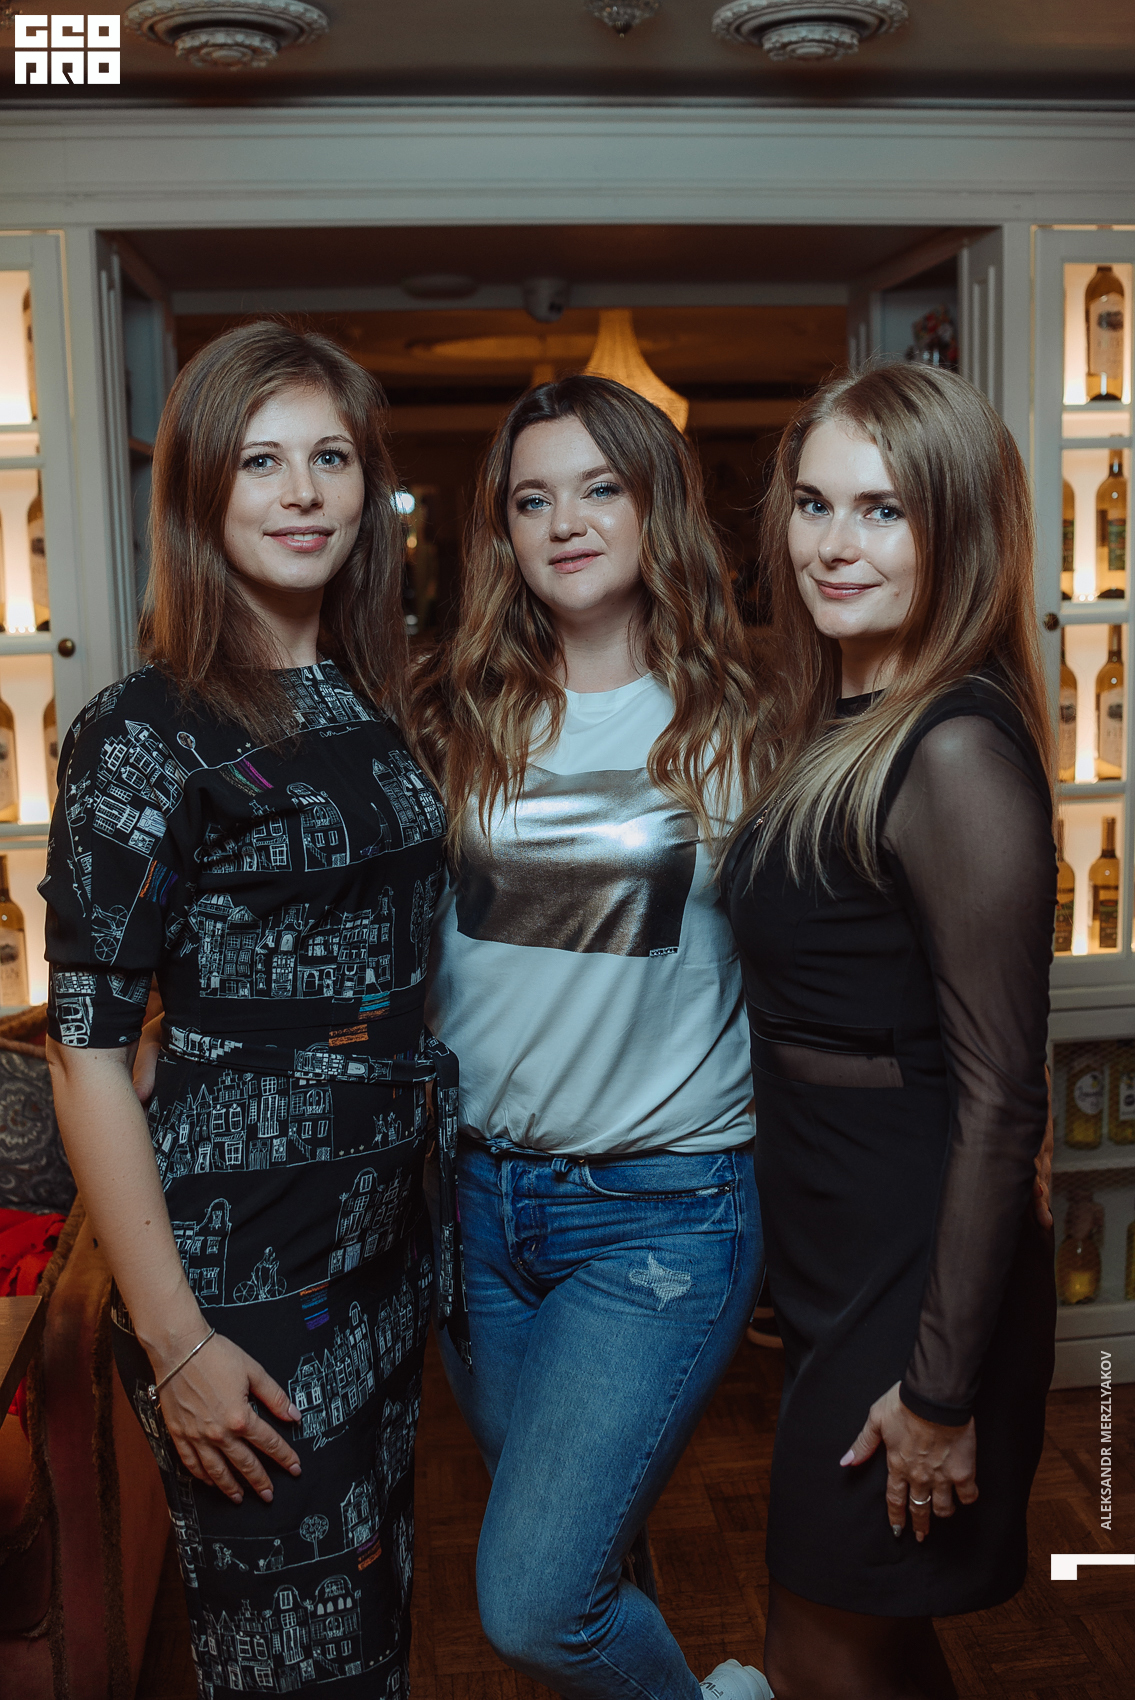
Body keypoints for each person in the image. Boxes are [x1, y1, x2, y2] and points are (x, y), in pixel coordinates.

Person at [42, 321, 465, 1700]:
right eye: (261, 461)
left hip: (380, 1259)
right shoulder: (141, 730)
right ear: (201, 493)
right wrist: (177, 1349)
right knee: (292, 1666)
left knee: (371, 1629)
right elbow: (86, 1053)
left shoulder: (364, 697)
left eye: (330, 458)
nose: (302, 493)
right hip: (240, 1293)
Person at [410, 374, 770, 1700]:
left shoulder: (743, 731)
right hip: (480, 1216)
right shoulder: (456, 721)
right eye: (531, 499)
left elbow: (831, 974)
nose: (564, 522)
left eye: (599, 487)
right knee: (589, 1553)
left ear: (655, 506)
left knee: (533, 1601)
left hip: (658, 1218)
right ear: (502, 532)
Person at [723, 362, 1057, 1700]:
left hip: (917, 1275)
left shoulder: (953, 752)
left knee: (818, 1647)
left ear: (956, 529)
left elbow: (1003, 1098)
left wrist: (940, 1390)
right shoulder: (839, 724)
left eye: (884, 510)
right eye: (814, 504)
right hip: (837, 1252)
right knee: (866, 1637)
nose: (834, 544)